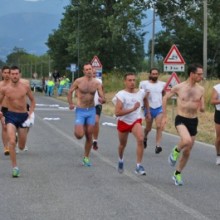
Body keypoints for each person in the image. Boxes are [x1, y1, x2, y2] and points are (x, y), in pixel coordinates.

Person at [161, 63, 204, 186]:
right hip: (181, 119)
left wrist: (202, 108)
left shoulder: (201, 89)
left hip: (193, 121)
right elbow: (165, 98)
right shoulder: (179, 87)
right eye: (199, 74)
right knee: (186, 140)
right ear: (192, 74)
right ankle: (175, 151)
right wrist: (164, 116)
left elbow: (202, 107)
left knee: (187, 151)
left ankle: (177, 174)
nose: (201, 76)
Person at [0, 65, 36, 177]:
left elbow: (33, 100)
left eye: (16, 74)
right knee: (11, 141)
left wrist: (30, 112)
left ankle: (17, 140)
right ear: (10, 75)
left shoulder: (25, 87)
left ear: (19, 75)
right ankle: (15, 167)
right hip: (10, 116)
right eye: (12, 74)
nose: (14, 76)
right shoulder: (4, 89)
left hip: (23, 116)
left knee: (21, 146)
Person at [67, 63, 105, 166]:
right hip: (81, 110)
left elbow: (102, 95)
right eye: (86, 69)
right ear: (84, 71)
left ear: (92, 70)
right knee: (79, 135)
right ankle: (80, 128)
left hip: (91, 110)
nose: (88, 71)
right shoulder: (79, 81)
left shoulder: (97, 83)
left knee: (89, 135)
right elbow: (70, 92)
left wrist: (102, 99)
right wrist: (70, 103)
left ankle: (86, 157)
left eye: (90, 69)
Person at [113, 73, 147, 175]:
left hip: (136, 120)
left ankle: (138, 166)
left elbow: (145, 98)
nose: (132, 82)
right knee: (122, 145)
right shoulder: (121, 95)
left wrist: (148, 111)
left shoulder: (141, 92)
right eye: (129, 80)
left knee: (140, 139)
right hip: (123, 121)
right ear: (125, 82)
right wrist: (133, 109)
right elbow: (117, 113)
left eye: (133, 80)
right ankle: (120, 159)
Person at [139, 68, 166, 153]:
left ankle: (158, 146)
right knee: (148, 128)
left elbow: (164, 95)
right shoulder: (144, 84)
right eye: (153, 74)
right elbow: (140, 96)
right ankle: (145, 137)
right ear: (150, 74)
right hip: (149, 108)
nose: (154, 75)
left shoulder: (162, 84)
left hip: (159, 108)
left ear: (158, 75)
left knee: (159, 126)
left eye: (156, 74)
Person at [92, 68, 105, 150]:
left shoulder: (99, 81)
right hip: (87, 105)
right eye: (92, 73)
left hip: (97, 104)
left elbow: (102, 91)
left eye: (95, 73)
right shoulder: (83, 81)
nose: (94, 74)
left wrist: (103, 98)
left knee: (96, 121)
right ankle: (89, 138)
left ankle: (95, 140)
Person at [0, 66, 10, 155]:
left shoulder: (14, 84)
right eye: (5, 73)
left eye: (8, 73)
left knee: (11, 128)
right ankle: (6, 147)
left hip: (13, 109)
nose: (7, 75)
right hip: (3, 109)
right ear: (2, 74)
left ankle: (14, 138)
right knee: (4, 127)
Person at [210, 83, 220, 165]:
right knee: (219, 138)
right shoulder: (217, 87)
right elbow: (212, 101)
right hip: (219, 113)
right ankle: (218, 156)